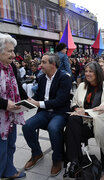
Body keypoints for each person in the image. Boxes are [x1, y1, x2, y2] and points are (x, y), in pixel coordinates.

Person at [22, 53, 71, 177]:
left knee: (53, 128)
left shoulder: (64, 78)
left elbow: (60, 101)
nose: (40, 65)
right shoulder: (42, 78)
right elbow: (38, 96)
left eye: (43, 62)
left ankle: (57, 159)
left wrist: (38, 103)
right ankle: (37, 153)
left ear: (53, 64)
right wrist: (27, 102)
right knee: (27, 125)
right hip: (44, 112)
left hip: (59, 112)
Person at [63, 61, 104, 179]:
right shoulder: (82, 86)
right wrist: (76, 109)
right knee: (73, 120)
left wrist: (85, 112)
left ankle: (73, 161)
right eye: (86, 71)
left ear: (98, 73)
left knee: (70, 127)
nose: (88, 74)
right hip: (81, 122)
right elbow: (74, 102)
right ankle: (75, 161)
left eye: (91, 71)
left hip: (97, 123)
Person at [0, 33, 28, 178]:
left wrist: (27, 99)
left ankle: (9, 171)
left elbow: (17, 84)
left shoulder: (11, 67)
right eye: (10, 51)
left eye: (13, 51)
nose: (13, 55)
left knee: (11, 145)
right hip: (1, 117)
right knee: (1, 148)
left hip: (11, 114)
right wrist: (5, 104)